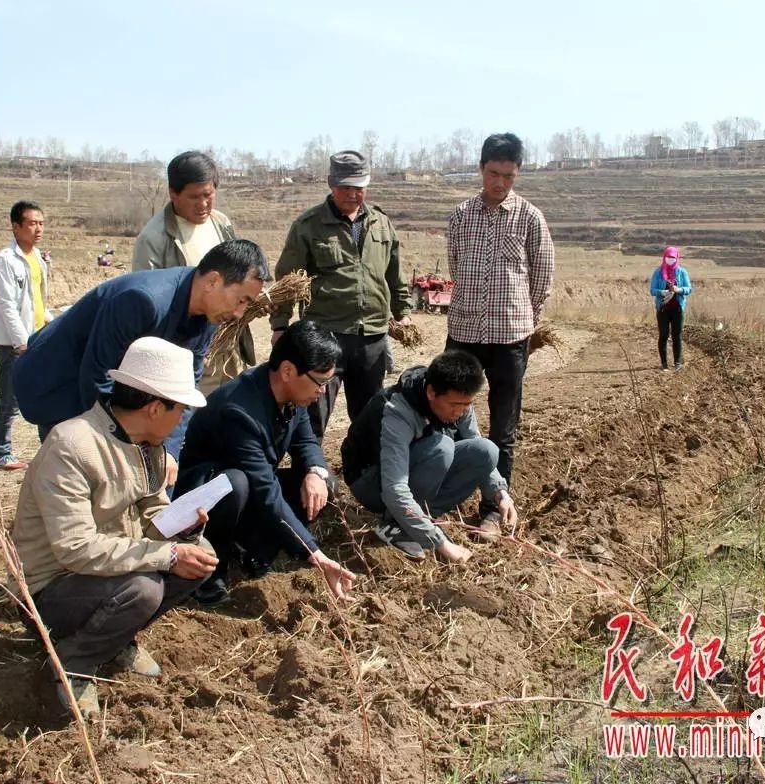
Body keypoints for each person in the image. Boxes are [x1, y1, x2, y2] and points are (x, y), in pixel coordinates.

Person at [10, 336, 219, 719]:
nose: (181, 420)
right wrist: (167, 554)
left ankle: (114, 637)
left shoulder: (147, 445)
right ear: (156, 408)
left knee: (199, 558)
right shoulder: (72, 446)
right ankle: (72, 663)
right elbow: (74, 549)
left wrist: (182, 529)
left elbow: (153, 509)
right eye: (180, 411)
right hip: (54, 586)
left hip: (106, 572)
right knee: (144, 588)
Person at [13, 239, 269, 467]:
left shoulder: (209, 317)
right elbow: (96, 377)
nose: (239, 313)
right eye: (242, 300)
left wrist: (167, 451)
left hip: (105, 392)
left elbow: (184, 390)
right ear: (213, 281)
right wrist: (124, 444)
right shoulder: (143, 300)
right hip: (60, 383)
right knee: (79, 472)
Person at [175, 320, 357, 605]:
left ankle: (253, 549)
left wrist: (315, 472)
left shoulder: (291, 395)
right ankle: (212, 565)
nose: (323, 391)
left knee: (322, 483)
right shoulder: (240, 410)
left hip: (251, 487)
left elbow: (307, 442)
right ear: (287, 371)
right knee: (235, 484)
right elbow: (264, 489)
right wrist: (315, 554)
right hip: (205, 497)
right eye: (321, 382)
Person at [445, 132, 554, 540]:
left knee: (503, 426)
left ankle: (493, 509)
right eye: (494, 173)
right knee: (448, 418)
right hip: (464, 332)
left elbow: (542, 278)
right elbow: (455, 265)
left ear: (517, 173)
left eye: (509, 176)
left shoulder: (529, 218)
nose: (500, 183)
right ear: (481, 169)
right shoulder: (460, 216)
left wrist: (524, 318)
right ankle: (446, 496)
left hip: (510, 337)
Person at [271, 150, 412, 437]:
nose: (352, 194)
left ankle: (363, 476)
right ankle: (309, 471)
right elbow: (288, 279)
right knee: (314, 416)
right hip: (326, 335)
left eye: (358, 188)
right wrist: (279, 325)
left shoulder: (381, 224)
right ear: (330, 183)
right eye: (345, 187)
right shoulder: (309, 226)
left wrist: (404, 313)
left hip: (371, 337)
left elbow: (394, 274)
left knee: (370, 417)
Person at [342, 349, 518, 560]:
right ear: (431, 392)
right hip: (370, 481)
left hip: (414, 467)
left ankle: (415, 521)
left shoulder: (458, 401)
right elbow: (394, 487)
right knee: (441, 448)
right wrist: (440, 543)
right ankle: (394, 525)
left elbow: (476, 446)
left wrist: (500, 494)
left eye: (467, 405)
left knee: (486, 450)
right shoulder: (397, 410)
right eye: (454, 405)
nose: (459, 412)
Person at [131, 151, 253, 390]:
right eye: (194, 197)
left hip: (227, 349)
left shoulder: (221, 224)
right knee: (192, 422)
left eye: (208, 195)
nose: (203, 204)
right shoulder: (154, 239)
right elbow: (146, 309)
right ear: (173, 194)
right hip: (186, 352)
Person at [0, 200, 51, 471]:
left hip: (36, 338)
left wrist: (52, 324)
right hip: (16, 343)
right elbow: (7, 305)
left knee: (46, 394)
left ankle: (50, 449)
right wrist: (21, 342)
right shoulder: (5, 260)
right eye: (32, 223)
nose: (38, 229)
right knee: (11, 399)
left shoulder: (37, 259)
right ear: (16, 226)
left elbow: (36, 302)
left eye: (41, 223)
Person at [650, 245, 693, 370]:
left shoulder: (682, 272)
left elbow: (689, 289)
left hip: (677, 308)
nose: (670, 259)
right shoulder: (658, 272)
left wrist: (679, 289)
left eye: (673, 257)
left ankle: (677, 362)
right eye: (668, 257)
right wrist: (662, 292)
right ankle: (664, 363)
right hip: (663, 308)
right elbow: (652, 290)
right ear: (664, 257)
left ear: (677, 258)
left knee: (677, 335)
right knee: (663, 335)